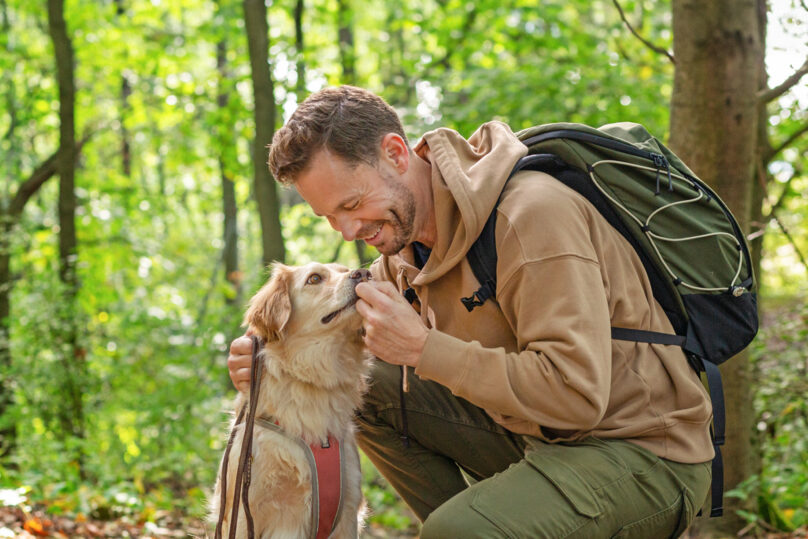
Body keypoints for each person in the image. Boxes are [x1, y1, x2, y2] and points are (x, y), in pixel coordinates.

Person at [227, 85, 713, 537]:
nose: (347, 231)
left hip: (640, 449)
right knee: (370, 386)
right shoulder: (403, 245)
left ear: (396, 155)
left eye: (352, 203)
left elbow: (576, 396)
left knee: (456, 534)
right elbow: (321, 332)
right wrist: (262, 355)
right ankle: (487, 519)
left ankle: (469, 526)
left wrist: (424, 348)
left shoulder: (532, 216)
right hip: (537, 439)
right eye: (330, 216)